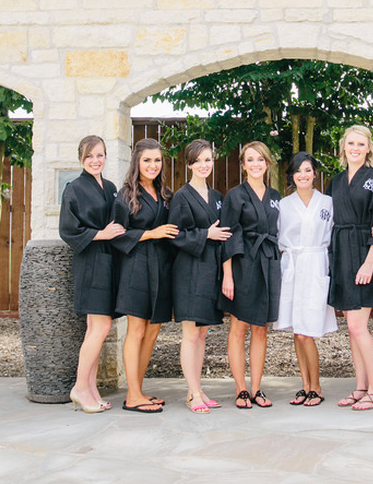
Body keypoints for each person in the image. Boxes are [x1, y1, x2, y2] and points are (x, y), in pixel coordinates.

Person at [59, 135, 125, 413]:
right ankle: (79, 387)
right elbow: (68, 229)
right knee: (101, 327)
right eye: (89, 156)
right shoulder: (74, 189)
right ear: (81, 159)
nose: (95, 161)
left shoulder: (109, 187)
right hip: (90, 263)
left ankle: (91, 388)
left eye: (100, 155)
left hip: (108, 262)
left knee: (95, 329)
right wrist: (101, 233)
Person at [327, 124, 373, 411]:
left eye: (361, 144)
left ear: (369, 148)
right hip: (341, 252)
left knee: (358, 325)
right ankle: (360, 386)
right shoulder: (336, 180)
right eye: (350, 143)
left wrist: (369, 262)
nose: (355, 148)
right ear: (343, 146)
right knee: (352, 329)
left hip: (365, 252)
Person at [112, 138, 179, 413]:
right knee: (137, 330)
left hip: (161, 267)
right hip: (136, 267)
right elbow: (117, 234)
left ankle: (137, 389)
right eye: (147, 160)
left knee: (153, 332)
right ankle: (132, 396)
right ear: (137, 163)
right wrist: (151, 233)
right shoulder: (126, 195)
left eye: (157, 160)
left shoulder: (165, 194)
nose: (153, 165)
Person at [168, 139, 232, 413]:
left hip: (211, 270)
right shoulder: (181, 197)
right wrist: (206, 234)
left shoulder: (217, 197)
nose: (204, 165)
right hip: (189, 271)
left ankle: (199, 388)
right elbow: (175, 235)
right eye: (198, 161)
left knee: (203, 333)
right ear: (189, 164)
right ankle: (192, 392)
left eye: (208, 160)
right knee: (190, 334)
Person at [220, 141, 281, 409]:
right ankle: (240, 388)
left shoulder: (275, 195)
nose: (256, 164)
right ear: (243, 164)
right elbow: (227, 235)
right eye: (250, 160)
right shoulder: (235, 195)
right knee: (239, 327)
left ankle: (257, 388)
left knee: (261, 328)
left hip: (268, 263)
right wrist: (228, 275)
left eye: (261, 160)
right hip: (243, 264)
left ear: (267, 164)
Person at [273, 152, 337, 407]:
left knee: (307, 331)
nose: (303, 175)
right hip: (292, 266)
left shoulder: (327, 203)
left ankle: (317, 386)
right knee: (297, 332)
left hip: (316, 263)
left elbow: (333, 234)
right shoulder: (283, 205)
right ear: (292, 175)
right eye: (298, 171)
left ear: (314, 173)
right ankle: (305, 385)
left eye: (308, 170)